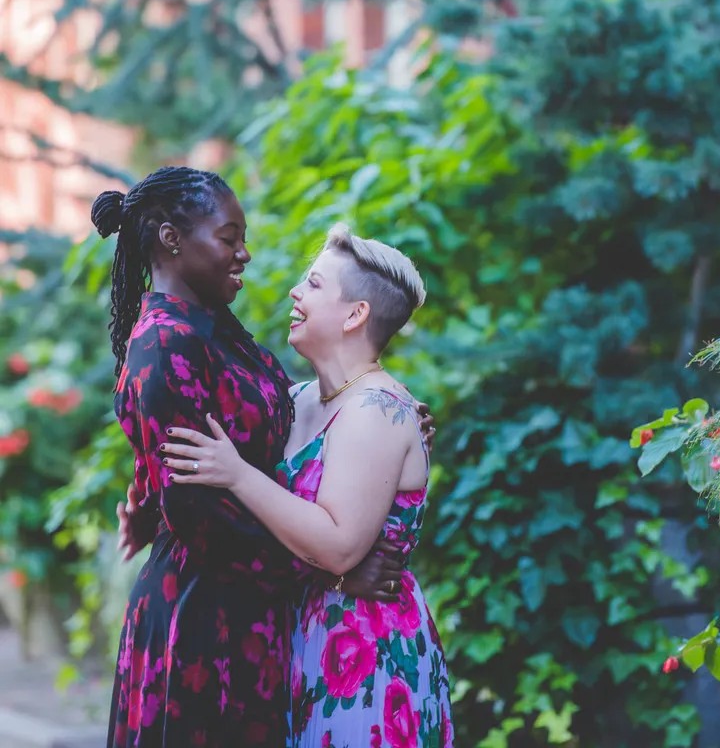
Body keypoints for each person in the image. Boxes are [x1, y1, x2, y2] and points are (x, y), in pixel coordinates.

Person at [94, 168, 408, 748]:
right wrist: (333, 573)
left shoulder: (214, 327)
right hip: (203, 620)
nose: (244, 252)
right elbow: (200, 514)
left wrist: (387, 416)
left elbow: (267, 427)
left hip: (253, 606)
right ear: (171, 239)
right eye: (229, 236)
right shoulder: (165, 344)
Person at [163, 222, 454, 748]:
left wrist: (237, 473)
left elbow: (340, 547)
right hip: (293, 638)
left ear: (355, 314)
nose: (296, 293)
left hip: (363, 654)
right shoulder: (296, 400)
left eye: (315, 284)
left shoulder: (377, 411)